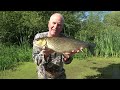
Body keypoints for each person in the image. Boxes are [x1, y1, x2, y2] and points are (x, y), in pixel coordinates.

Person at [32, 13, 80, 79]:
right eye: (53, 23)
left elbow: (68, 61)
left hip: (60, 76)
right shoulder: (39, 37)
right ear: (48, 24)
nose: (55, 26)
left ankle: (89, 45)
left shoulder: (66, 38)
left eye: (59, 25)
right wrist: (45, 55)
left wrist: (67, 57)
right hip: (43, 76)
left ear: (62, 27)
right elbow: (36, 60)